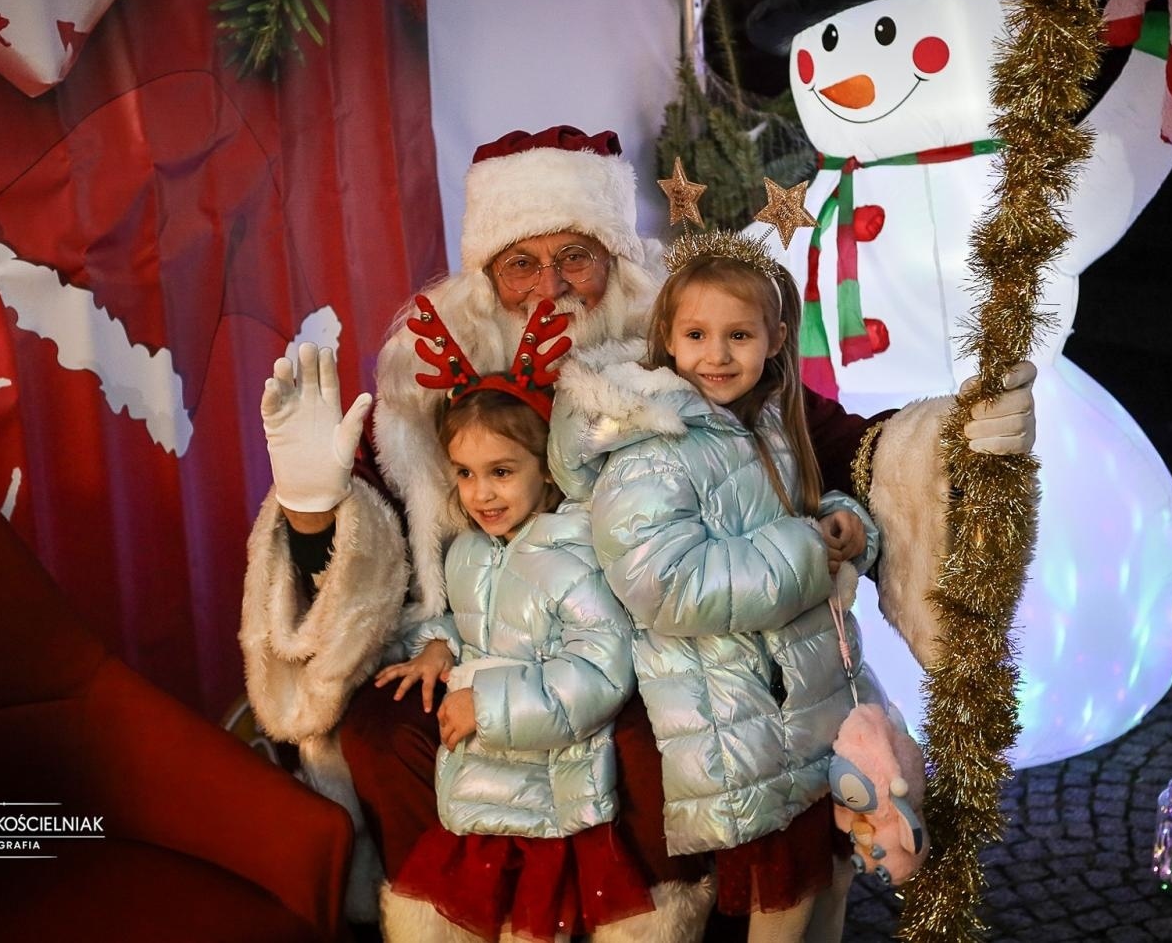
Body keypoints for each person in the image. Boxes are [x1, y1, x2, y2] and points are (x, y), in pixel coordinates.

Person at [238, 125, 1036, 926]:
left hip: (645, 635)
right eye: (522, 261)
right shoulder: (427, 379)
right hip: (478, 635)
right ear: (485, 277)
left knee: (658, 745)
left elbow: (820, 437)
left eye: (575, 255)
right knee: (385, 735)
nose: (551, 286)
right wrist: (313, 508)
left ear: (614, 262)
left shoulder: (675, 353)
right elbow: (371, 536)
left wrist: (948, 440)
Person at [550, 231, 895, 941]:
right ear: (668, 341)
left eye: (738, 335)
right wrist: (807, 550)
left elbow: (797, 514)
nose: (717, 354)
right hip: (736, 715)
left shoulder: (769, 423)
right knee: (785, 902)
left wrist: (843, 525)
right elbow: (666, 584)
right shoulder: (653, 448)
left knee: (832, 877)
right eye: (697, 334)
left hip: (808, 699)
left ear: (773, 339)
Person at [372, 297, 681, 941]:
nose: (481, 493)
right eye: (465, 474)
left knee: (540, 923)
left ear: (545, 468)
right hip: (480, 797)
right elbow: (472, 627)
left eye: (502, 472)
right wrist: (436, 647)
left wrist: (487, 705)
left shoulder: (573, 554)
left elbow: (598, 668)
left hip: (554, 798)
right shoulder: (467, 553)